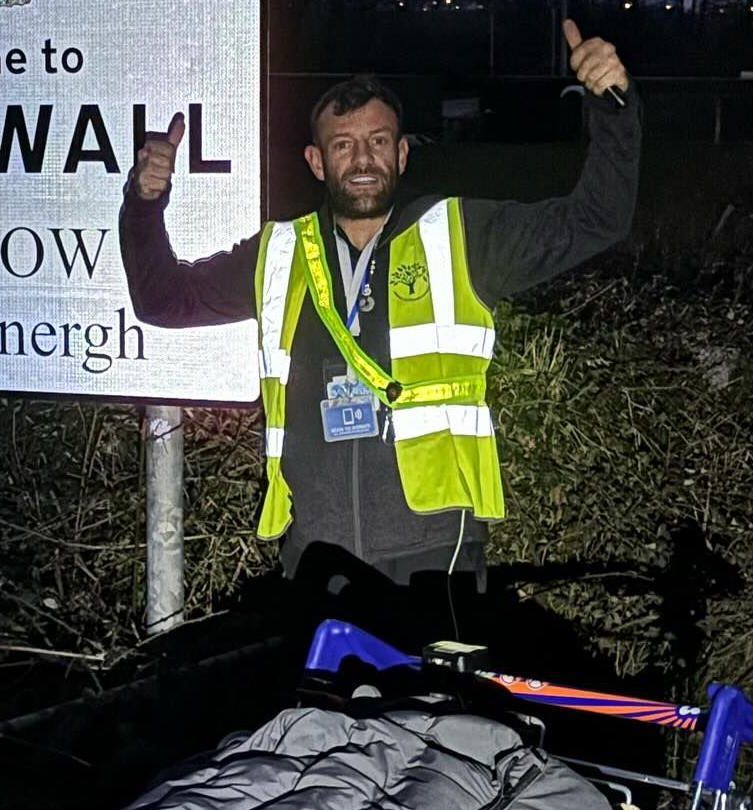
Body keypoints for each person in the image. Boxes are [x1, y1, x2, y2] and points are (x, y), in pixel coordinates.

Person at [120, 21, 639, 630]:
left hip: (433, 555)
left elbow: (597, 221)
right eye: (342, 145)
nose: (361, 160)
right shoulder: (279, 254)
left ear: (401, 152)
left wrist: (614, 108)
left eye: (377, 142)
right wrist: (144, 203)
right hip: (314, 558)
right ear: (316, 161)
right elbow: (162, 299)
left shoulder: (459, 236)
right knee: (325, 723)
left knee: (431, 723)